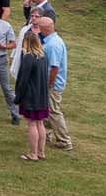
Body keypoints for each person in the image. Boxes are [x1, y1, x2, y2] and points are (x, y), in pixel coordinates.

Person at [14, 29, 51, 161]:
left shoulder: (29, 57)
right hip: (42, 95)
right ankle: (41, 152)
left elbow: (23, 80)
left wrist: (18, 96)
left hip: (31, 96)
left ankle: (33, 153)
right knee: (40, 123)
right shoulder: (43, 56)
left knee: (32, 124)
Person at [36, 15, 72, 151]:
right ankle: (46, 134)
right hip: (52, 82)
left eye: (39, 27)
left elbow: (54, 67)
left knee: (53, 111)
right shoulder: (53, 41)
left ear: (44, 29)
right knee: (47, 109)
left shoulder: (52, 45)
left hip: (53, 84)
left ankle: (64, 140)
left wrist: (49, 84)